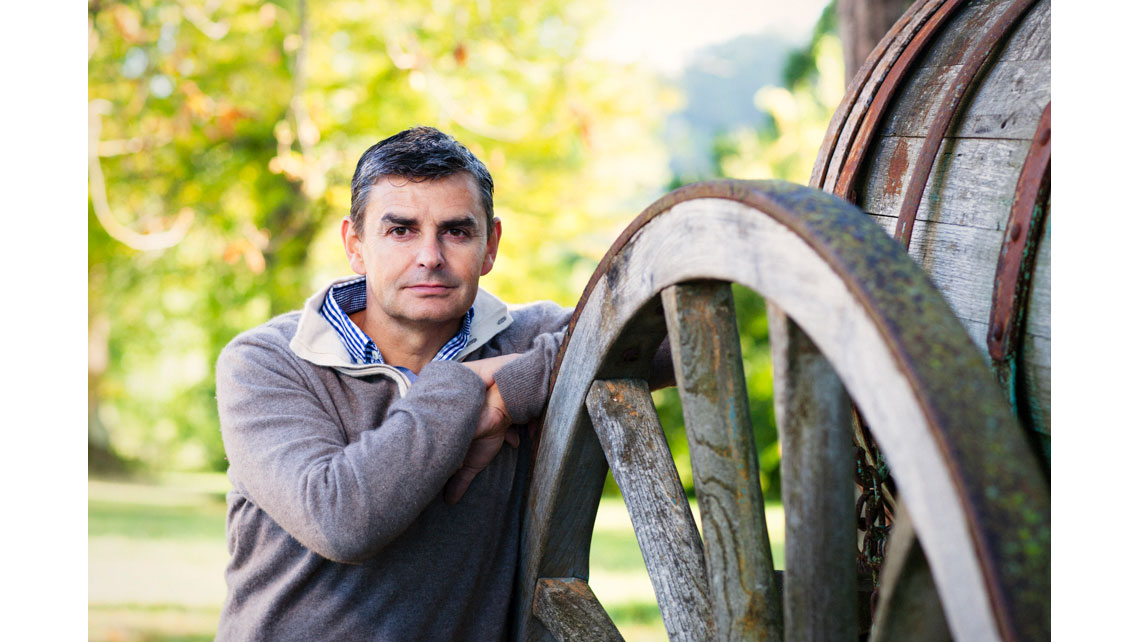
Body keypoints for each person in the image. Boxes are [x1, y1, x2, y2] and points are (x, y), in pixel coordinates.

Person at [214, 126, 574, 641]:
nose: (430, 256)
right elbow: (340, 520)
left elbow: (663, 335)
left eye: (456, 231)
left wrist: (508, 395)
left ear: (490, 246)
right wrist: (461, 385)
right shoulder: (268, 362)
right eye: (401, 230)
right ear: (355, 245)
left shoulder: (521, 338)